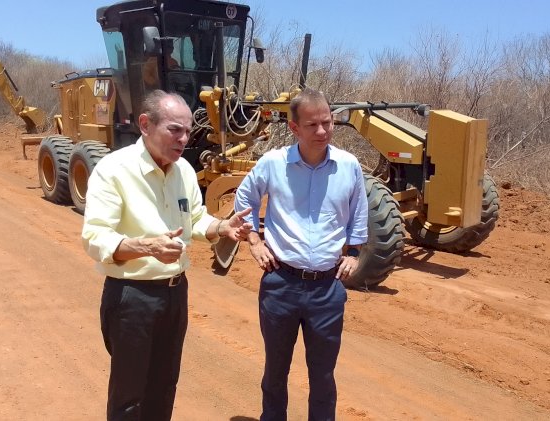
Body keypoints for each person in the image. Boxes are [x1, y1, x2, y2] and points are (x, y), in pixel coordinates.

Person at [81, 90, 252, 421]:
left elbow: (195, 219)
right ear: (145, 124)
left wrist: (221, 227)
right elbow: (95, 237)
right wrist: (148, 247)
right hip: (132, 298)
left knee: (163, 387)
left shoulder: (184, 171)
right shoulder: (113, 170)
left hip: (175, 294)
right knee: (130, 396)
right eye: (175, 129)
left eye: (188, 131)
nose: (184, 139)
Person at [234, 88, 368, 421]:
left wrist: (354, 252)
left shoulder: (348, 166)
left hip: (327, 289)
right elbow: (244, 198)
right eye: (312, 125)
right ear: (294, 129)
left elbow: (359, 212)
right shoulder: (273, 164)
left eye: (327, 122)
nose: (322, 131)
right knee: (275, 371)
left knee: (323, 376)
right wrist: (254, 240)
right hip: (281, 284)